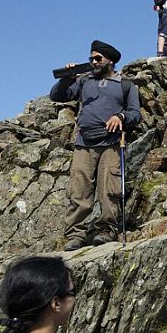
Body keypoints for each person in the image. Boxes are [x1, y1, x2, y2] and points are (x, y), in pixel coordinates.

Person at [50, 40, 141, 251]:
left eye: (98, 58)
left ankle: (106, 230)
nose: (93, 61)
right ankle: (75, 235)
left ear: (110, 61)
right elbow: (57, 96)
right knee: (78, 189)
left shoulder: (126, 85)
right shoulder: (83, 81)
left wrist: (121, 116)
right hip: (84, 142)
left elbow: (136, 114)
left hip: (111, 142)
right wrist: (67, 79)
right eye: (91, 58)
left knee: (109, 188)